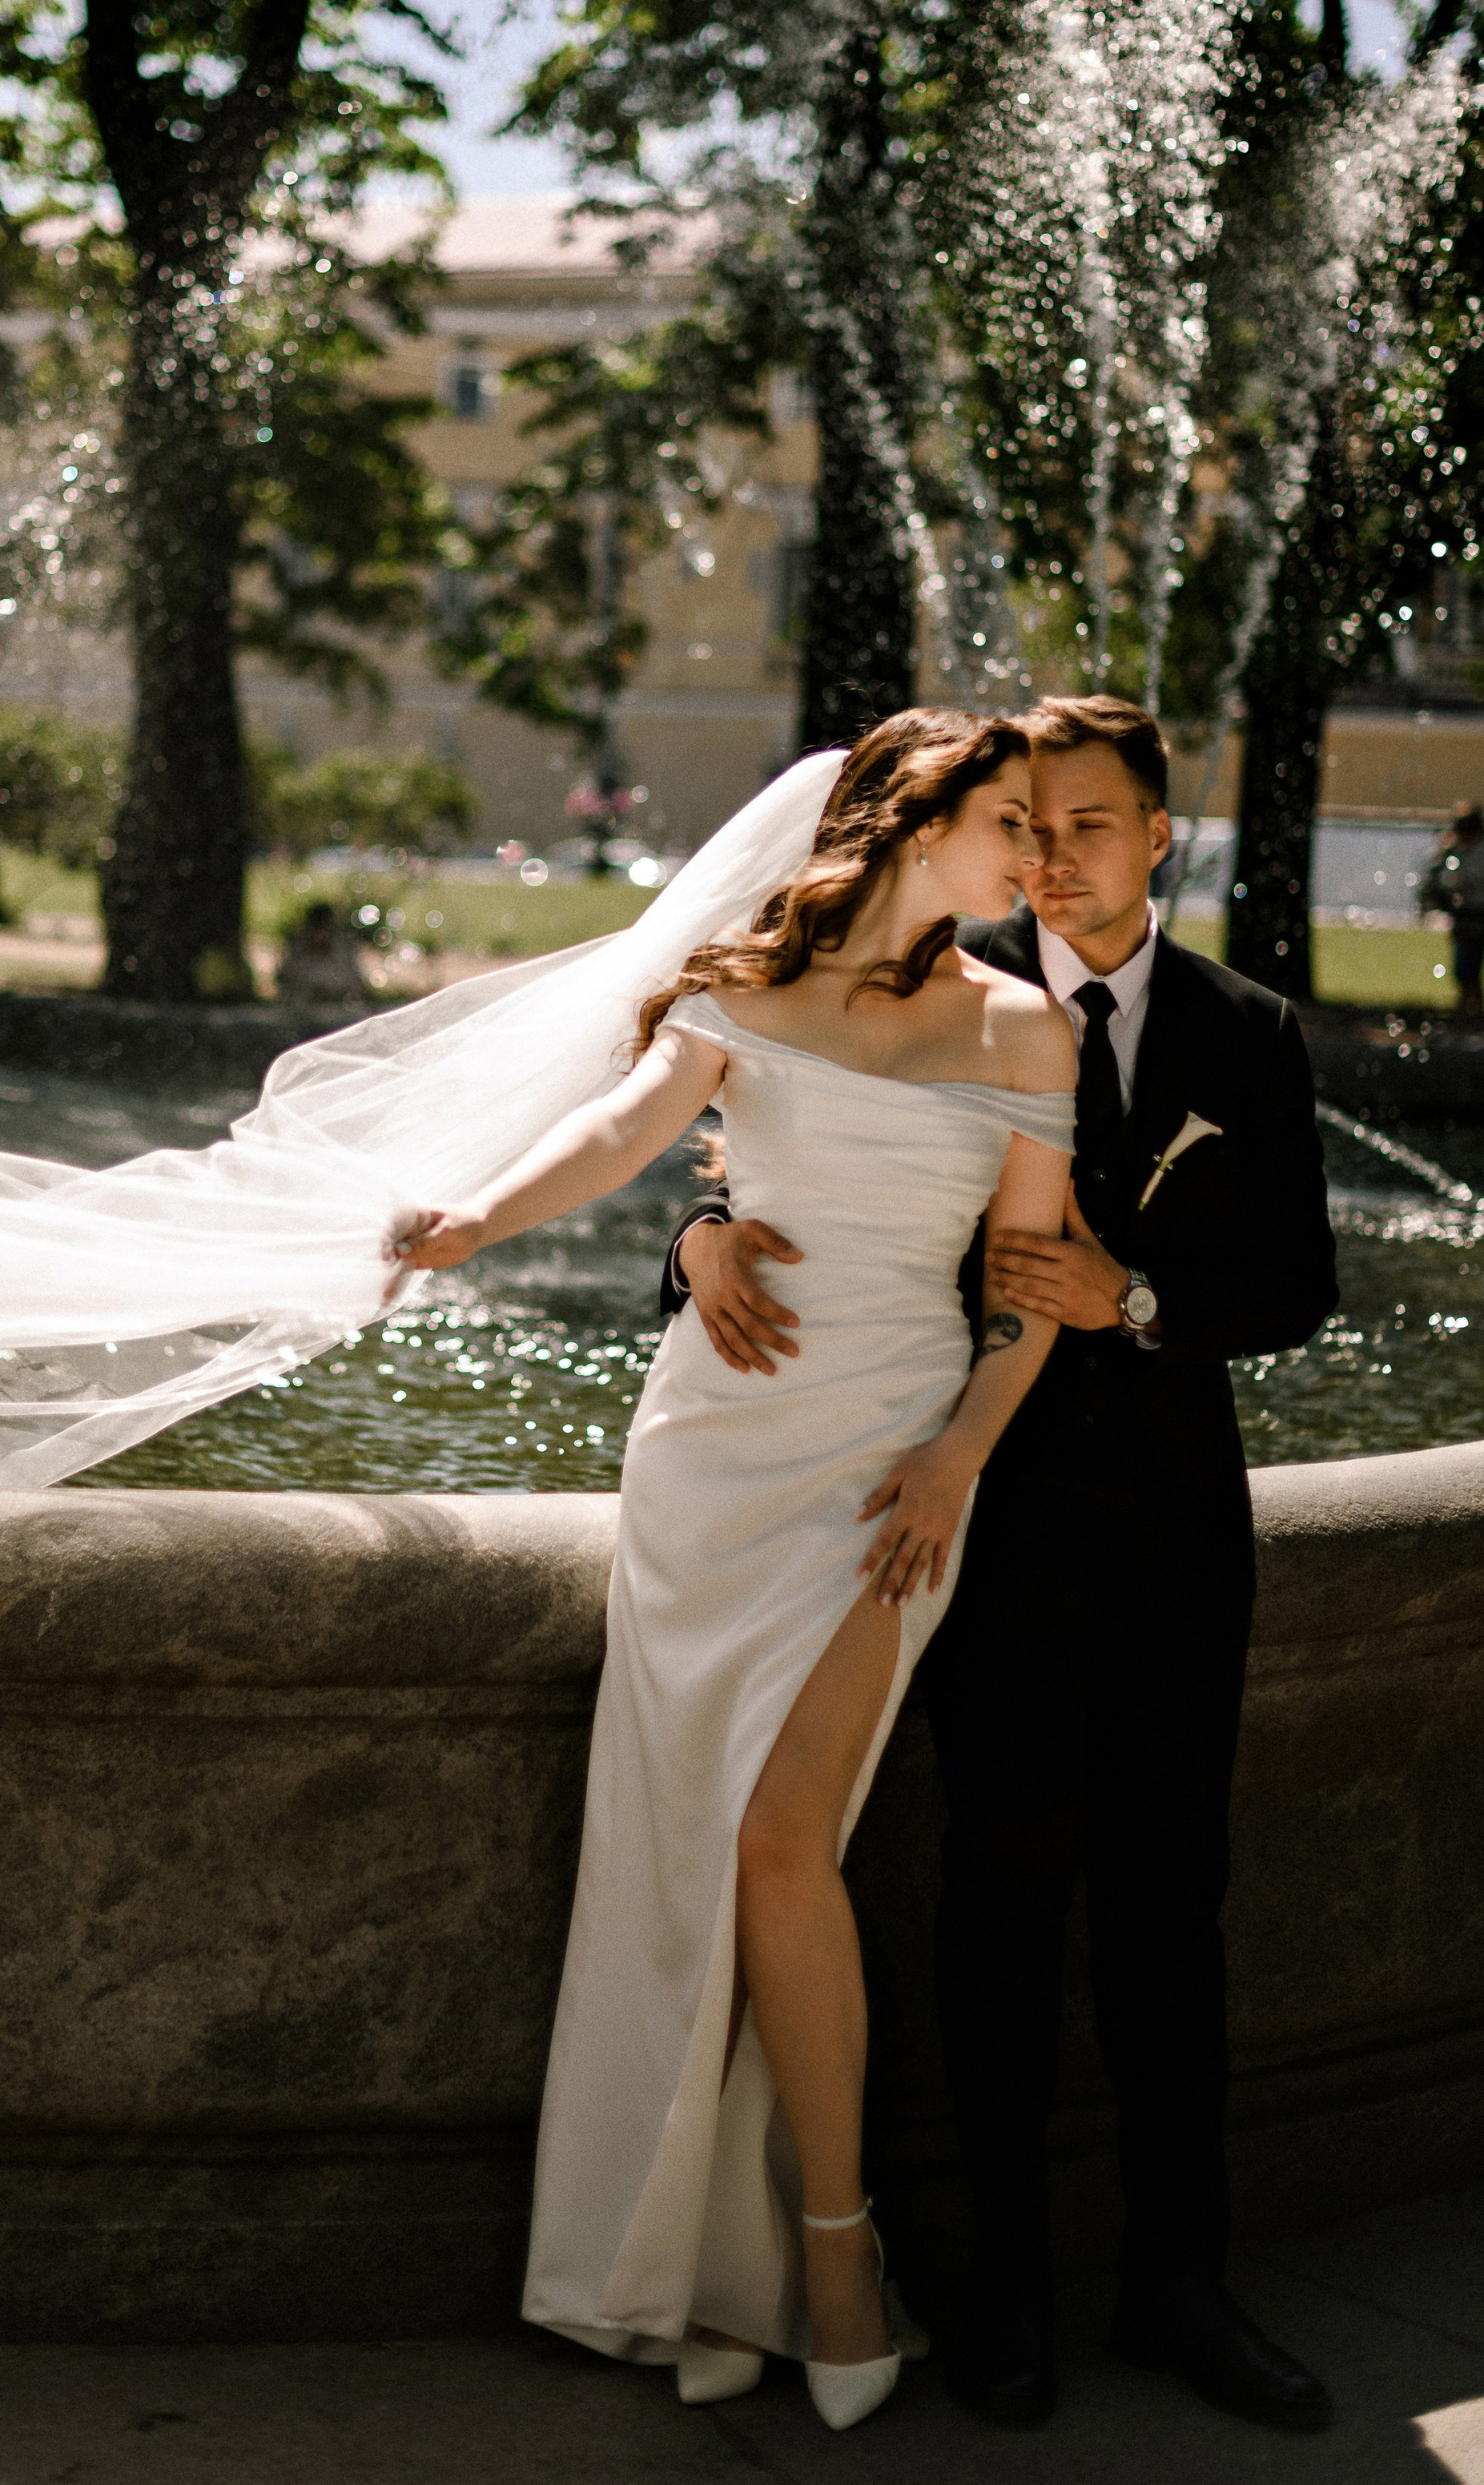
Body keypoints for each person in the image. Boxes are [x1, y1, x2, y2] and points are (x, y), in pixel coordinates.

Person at [666, 695, 1339, 2438]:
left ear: (1156, 835)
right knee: (992, 1910)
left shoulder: (1244, 1031)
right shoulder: (919, 986)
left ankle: (1185, 2290)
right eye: (1034, 825)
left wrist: (1135, 1298)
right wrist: (693, 1232)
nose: (1055, 856)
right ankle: (1002, 2298)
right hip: (956, 1532)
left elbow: (1296, 1286)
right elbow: (768, 1178)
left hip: (1178, 1535)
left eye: (1094, 823)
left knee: (1166, 1918)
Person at [400, 711, 1075, 2431]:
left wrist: (954, 1455)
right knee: (691, 1848)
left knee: (781, 1834)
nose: (1033, 857)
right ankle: (700, 2261)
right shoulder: (740, 987)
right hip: (711, 1451)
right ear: (912, 824)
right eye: (1007, 822)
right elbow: (631, 1131)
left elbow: (1028, 1278)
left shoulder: (1024, 1024)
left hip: (887, 1470)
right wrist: (473, 1218)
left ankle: (831, 2248)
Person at [1420, 804, 1484, 1023]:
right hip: (1462, 913)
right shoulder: (1454, 849)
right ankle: (1466, 1007)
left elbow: (1479, 877)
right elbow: (1439, 875)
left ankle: (1476, 1010)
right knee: (1461, 966)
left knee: (1473, 965)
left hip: (1479, 913)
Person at [275, 898, 369, 1007]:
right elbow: (284, 981)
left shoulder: (343, 949)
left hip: (338, 1011)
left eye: (325, 929)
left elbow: (355, 986)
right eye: (316, 929)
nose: (320, 936)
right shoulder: (297, 949)